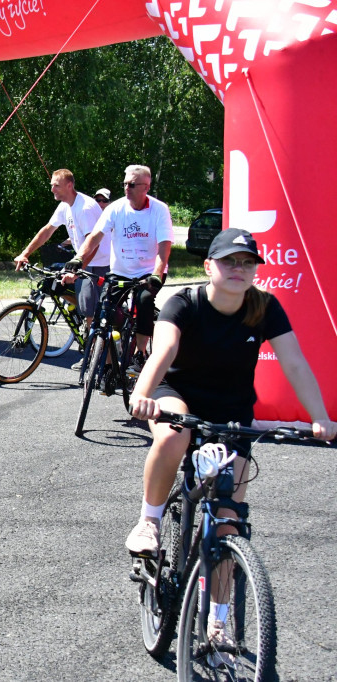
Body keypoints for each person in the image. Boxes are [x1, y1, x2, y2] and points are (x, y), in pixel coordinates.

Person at [126, 228, 336, 650]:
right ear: (209, 267)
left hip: (230, 415)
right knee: (174, 435)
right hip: (175, 395)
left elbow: (294, 363)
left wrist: (321, 419)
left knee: (227, 520)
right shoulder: (185, 302)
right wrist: (142, 394)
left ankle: (218, 622)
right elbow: (163, 350)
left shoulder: (264, 308)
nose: (239, 269)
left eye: (247, 263)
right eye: (229, 261)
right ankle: (149, 521)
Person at [65, 164, 172, 386]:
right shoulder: (115, 208)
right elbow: (94, 237)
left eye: (132, 184)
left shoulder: (159, 210)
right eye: (124, 183)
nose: (126, 188)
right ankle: (107, 367)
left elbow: (164, 247)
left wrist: (156, 274)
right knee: (106, 313)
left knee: (144, 301)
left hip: (149, 272)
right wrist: (78, 259)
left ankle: (139, 355)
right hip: (120, 272)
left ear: (146, 187)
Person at [14, 169, 111, 369]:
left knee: (92, 311)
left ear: (69, 185)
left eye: (56, 185)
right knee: (56, 285)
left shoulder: (85, 208)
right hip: (83, 259)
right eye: (51, 185)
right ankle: (81, 312)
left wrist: (77, 271)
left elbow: (94, 245)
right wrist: (25, 253)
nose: (52, 189)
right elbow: (47, 231)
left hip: (100, 262)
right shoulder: (64, 207)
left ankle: (94, 357)